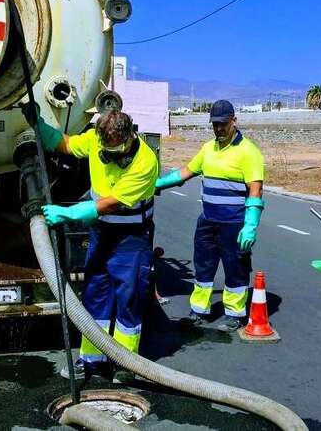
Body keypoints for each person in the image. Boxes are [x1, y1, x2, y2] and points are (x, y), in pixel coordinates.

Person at [36, 110, 159, 384]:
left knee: (129, 296)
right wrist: (40, 125)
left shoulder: (145, 161)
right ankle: (91, 359)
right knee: (95, 292)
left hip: (131, 237)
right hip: (102, 232)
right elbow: (66, 144)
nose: (108, 156)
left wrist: (68, 214)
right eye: (105, 149)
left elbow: (111, 203)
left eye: (114, 150)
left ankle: (126, 361)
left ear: (129, 139)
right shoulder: (95, 140)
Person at [156, 100, 265, 332]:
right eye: (214, 124)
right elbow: (186, 171)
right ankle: (198, 309)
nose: (218, 129)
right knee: (203, 267)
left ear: (234, 121)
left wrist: (251, 225)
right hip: (208, 221)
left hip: (234, 223)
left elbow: (255, 191)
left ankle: (235, 314)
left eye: (223, 124)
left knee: (236, 268)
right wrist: (157, 184)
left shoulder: (249, 152)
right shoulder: (208, 149)